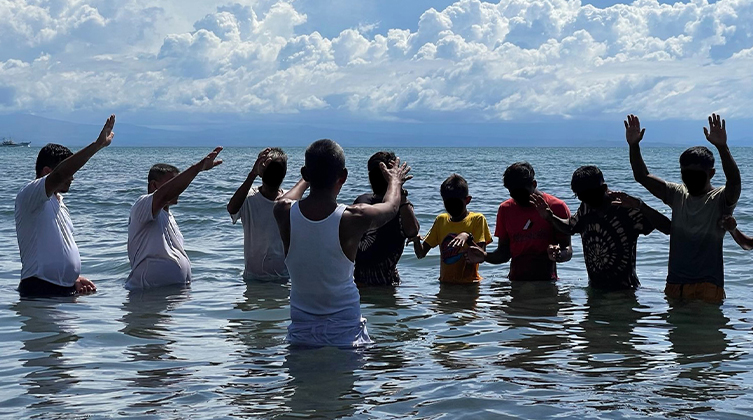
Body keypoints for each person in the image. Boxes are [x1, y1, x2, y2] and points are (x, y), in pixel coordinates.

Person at [273, 139, 412, 347]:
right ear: (344, 177)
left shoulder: (283, 212)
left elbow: (286, 199)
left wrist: (309, 176)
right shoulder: (354, 218)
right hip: (347, 337)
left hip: (301, 337)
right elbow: (391, 207)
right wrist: (395, 181)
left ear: (305, 174)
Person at [626, 113, 740, 303]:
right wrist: (633, 145)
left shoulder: (720, 199)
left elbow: (734, 182)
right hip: (675, 285)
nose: (690, 179)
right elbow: (642, 176)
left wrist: (722, 147)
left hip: (708, 287)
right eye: (686, 174)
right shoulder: (678, 194)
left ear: (711, 173)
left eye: (697, 174)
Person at [14, 115, 115, 297]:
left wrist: (73, 278)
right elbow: (61, 174)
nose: (73, 177)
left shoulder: (59, 203)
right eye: (71, 172)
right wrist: (96, 145)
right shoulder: (30, 194)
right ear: (47, 172)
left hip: (63, 290)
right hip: (39, 290)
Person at [532, 165, 671, 290]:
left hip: (625, 290)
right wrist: (550, 217)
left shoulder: (626, 208)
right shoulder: (586, 208)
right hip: (595, 288)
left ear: (604, 188)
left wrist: (641, 206)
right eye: (581, 197)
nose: (588, 202)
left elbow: (668, 228)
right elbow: (571, 227)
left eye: (591, 197)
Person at [126, 147, 224, 290]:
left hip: (170, 297)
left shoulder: (169, 217)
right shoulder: (142, 205)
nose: (179, 189)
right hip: (146, 296)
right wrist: (198, 168)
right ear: (154, 185)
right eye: (173, 183)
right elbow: (163, 195)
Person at [466, 162, 572, 281]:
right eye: (514, 194)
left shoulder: (556, 207)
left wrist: (557, 255)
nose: (519, 198)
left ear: (534, 184)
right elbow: (504, 253)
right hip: (516, 282)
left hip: (547, 283)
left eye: (522, 193)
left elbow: (567, 249)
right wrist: (485, 256)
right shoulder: (505, 209)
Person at [410, 174, 492, 284]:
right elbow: (421, 254)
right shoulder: (441, 220)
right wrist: (415, 240)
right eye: (448, 204)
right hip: (445, 284)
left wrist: (468, 237)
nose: (453, 207)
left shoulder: (477, 220)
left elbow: (480, 256)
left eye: (457, 203)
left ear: (467, 200)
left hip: (469, 285)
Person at [353, 151, 420, 287]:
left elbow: (412, 231)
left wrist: (399, 192)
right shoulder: (366, 201)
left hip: (363, 285)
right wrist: (398, 187)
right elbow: (412, 231)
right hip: (385, 286)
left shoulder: (401, 206)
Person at [227, 147, 290, 281]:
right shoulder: (249, 198)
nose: (273, 173)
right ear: (262, 171)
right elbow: (232, 209)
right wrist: (253, 174)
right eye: (270, 169)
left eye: (277, 169)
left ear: (284, 173)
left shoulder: (289, 202)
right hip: (252, 279)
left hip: (283, 279)